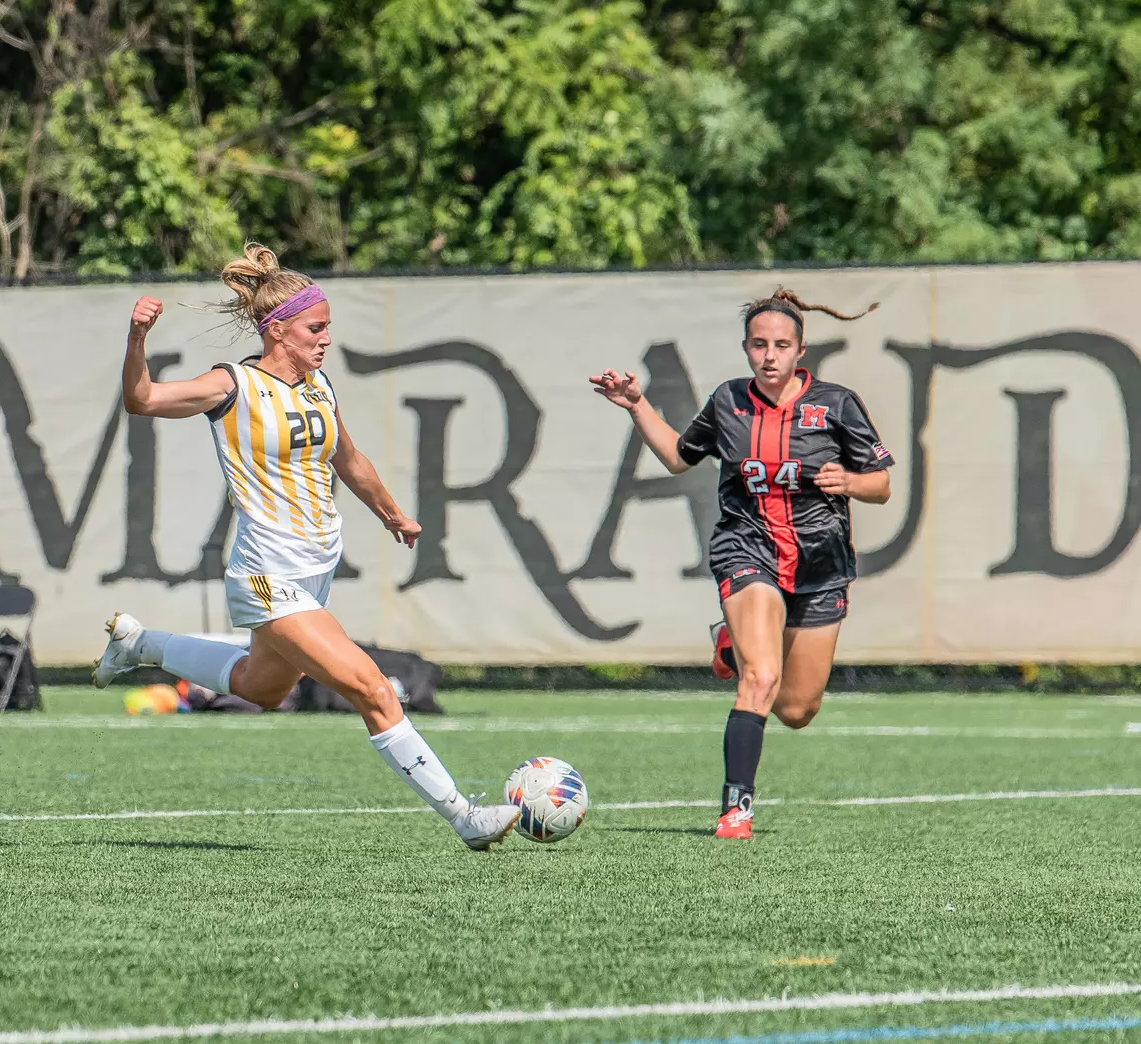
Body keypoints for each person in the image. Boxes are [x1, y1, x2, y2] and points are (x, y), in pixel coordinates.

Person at [92, 243, 521, 851]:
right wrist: (137, 339)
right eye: (315, 329)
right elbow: (143, 400)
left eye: (327, 328)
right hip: (266, 574)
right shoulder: (232, 384)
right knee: (370, 687)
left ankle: (141, 643)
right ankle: (464, 818)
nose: (325, 340)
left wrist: (392, 513)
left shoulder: (318, 386)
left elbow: (349, 458)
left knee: (263, 689)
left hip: (315, 572)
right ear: (278, 329)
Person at [591, 287, 894, 840]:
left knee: (798, 709)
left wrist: (851, 482)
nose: (769, 355)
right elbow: (680, 458)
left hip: (820, 565)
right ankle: (736, 809)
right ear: (746, 349)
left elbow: (881, 485)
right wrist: (637, 405)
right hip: (746, 547)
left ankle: (731, 640)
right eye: (759, 345)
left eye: (781, 344)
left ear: (801, 350)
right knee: (761, 677)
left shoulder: (838, 404)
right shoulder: (729, 401)